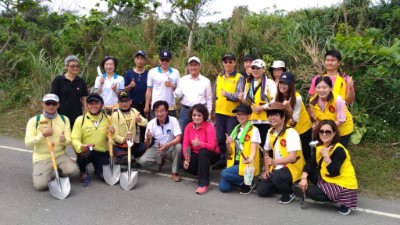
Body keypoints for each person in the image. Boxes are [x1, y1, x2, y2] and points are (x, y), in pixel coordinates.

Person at [299, 120, 358, 215]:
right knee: (308, 173)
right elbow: (310, 164)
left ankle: (342, 200)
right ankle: (327, 190)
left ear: (334, 133)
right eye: (321, 131)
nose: (324, 134)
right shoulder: (320, 146)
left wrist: (326, 156)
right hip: (329, 178)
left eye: (328, 131)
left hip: (343, 183)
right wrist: (303, 178)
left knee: (311, 192)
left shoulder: (339, 149)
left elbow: (334, 172)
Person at [25, 94, 78, 191]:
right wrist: (42, 135)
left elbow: (68, 139)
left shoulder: (64, 119)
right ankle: (44, 173)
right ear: (42, 104)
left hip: (60, 154)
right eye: (48, 103)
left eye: (53, 103)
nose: (51, 106)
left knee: (73, 171)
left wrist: (64, 140)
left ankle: (60, 170)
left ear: (58, 105)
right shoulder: (34, 121)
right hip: (42, 157)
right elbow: (28, 143)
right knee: (40, 186)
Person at [257, 102, 305, 204]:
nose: (271, 118)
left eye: (275, 115)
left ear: (283, 118)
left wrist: (274, 162)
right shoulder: (270, 131)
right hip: (276, 167)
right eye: (269, 115)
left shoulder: (291, 133)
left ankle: (289, 192)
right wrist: (266, 170)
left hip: (292, 167)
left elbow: (292, 158)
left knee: (276, 177)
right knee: (262, 191)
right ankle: (280, 184)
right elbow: (266, 151)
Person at [212, 53, 244, 170]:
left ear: (234, 63)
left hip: (232, 114)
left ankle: (231, 163)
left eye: (230, 62)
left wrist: (227, 95)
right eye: (225, 62)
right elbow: (214, 95)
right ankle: (222, 158)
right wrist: (213, 111)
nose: (228, 64)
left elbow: (239, 96)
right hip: (219, 112)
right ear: (223, 63)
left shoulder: (239, 77)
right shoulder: (219, 77)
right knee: (220, 138)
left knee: (230, 139)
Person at [219, 104, 261, 194]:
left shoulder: (254, 130)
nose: (240, 116)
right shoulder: (236, 129)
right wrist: (227, 143)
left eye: (243, 114)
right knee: (224, 188)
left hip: (245, 162)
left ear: (249, 115)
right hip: (234, 162)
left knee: (224, 173)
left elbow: (254, 150)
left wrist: (250, 159)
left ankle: (248, 183)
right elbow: (229, 151)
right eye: (238, 114)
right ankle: (242, 182)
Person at [71, 93, 115, 180]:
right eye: (91, 104)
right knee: (84, 156)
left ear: (101, 105)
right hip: (87, 150)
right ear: (87, 106)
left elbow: (112, 139)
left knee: (104, 177)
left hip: (102, 152)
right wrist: (80, 146)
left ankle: (98, 170)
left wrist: (113, 133)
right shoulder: (80, 120)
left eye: (96, 103)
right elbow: (74, 138)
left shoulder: (108, 118)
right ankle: (83, 170)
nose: (93, 106)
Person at [139, 100, 182, 182]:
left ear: (166, 111)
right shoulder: (151, 123)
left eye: (162, 111)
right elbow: (146, 145)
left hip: (170, 147)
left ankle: (174, 172)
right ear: (154, 112)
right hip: (157, 149)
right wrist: (148, 139)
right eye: (157, 111)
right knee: (142, 161)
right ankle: (159, 164)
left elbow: (178, 138)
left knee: (178, 146)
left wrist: (167, 145)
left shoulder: (173, 120)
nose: (159, 114)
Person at [274, 72, 313, 161]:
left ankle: (308, 173)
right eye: (281, 83)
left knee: (305, 153)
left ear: (291, 85)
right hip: (290, 129)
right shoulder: (278, 95)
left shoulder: (297, 98)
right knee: (291, 152)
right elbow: (271, 105)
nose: (282, 86)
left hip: (303, 128)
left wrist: (288, 107)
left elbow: (296, 118)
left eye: (286, 83)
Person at [183, 104, 219, 195]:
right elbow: (186, 145)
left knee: (203, 152)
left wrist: (200, 144)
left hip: (211, 153)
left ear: (204, 116)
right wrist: (187, 158)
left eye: (199, 115)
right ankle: (199, 171)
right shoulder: (188, 126)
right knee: (185, 165)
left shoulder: (210, 127)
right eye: (194, 115)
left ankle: (203, 184)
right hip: (195, 153)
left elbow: (212, 146)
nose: (196, 117)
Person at [240, 59, 277, 147]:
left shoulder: (269, 83)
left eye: (258, 68)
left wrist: (262, 107)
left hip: (267, 120)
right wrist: (242, 99)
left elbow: (274, 100)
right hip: (253, 119)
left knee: (267, 146)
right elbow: (247, 101)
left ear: (264, 69)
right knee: (255, 145)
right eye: (253, 68)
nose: (255, 70)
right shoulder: (248, 83)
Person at [309, 76, 353, 147]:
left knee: (337, 151)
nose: (321, 90)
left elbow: (341, 121)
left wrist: (323, 127)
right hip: (325, 130)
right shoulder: (312, 101)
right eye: (318, 87)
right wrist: (317, 125)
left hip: (342, 129)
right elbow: (317, 119)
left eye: (324, 87)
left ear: (331, 88)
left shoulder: (338, 100)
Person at [174, 56, 212, 132]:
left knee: (201, 132)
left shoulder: (206, 81)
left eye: (195, 65)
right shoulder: (183, 80)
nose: (193, 67)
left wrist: (209, 113)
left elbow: (209, 99)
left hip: (200, 111)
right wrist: (173, 88)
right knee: (184, 132)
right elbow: (178, 95)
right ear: (188, 67)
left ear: (199, 66)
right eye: (191, 65)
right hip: (186, 110)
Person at [112, 92, 148, 169]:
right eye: (122, 101)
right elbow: (115, 136)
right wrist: (124, 139)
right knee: (127, 159)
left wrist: (140, 120)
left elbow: (145, 123)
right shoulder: (116, 115)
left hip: (131, 144)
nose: (124, 103)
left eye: (126, 101)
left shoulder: (134, 111)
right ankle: (121, 159)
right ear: (118, 103)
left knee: (146, 145)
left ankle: (131, 159)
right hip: (120, 146)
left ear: (130, 101)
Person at [51, 55, 88, 128]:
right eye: (72, 66)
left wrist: (86, 115)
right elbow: (53, 98)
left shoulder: (81, 82)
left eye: (77, 66)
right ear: (66, 66)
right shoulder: (58, 80)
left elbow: (84, 99)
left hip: (77, 116)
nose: (75, 68)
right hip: (61, 115)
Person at [144, 50, 180, 118]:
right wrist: (146, 105)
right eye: (162, 59)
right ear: (159, 60)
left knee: (170, 128)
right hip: (156, 107)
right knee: (154, 127)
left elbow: (179, 90)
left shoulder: (176, 72)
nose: (164, 62)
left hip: (170, 107)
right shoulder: (152, 72)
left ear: (170, 60)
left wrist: (172, 85)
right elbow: (149, 90)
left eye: (167, 60)